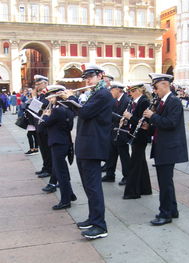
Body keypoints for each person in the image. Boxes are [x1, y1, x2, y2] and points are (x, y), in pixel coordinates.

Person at [61, 64, 113, 239]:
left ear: (100, 76)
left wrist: (70, 99)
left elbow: (85, 113)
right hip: (86, 145)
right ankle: (93, 218)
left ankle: (100, 225)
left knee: (93, 186)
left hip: (93, 146)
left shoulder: (103, 94)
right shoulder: (94, 93)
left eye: (91, 76)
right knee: (88, 187)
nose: (87, 80)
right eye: (86, 77)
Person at [143, 73, 188, 226]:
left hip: (169, 147)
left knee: (164, 183)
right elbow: (161, 124)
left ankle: (165, 213)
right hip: (162, 146)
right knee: (166, 181)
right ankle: (172, 210)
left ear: (164, 84)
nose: (155, 91)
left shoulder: (173, 101)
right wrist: (149, 125)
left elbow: (171, 123)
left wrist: (152, 116)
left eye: (155, 87)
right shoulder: (163, 101)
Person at [41, 85, 77, 210]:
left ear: (57, 96)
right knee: (63, 171)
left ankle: (65, 200)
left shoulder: (57, 110)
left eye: (51, 97)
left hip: (57, 142)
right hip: (64, 142)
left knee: (61, 173)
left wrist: (45, 115)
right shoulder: (67, 108)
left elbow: (46, 123)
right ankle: (70, 194)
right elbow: (70, 126)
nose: (49, 100)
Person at [121, 83, 152, 199]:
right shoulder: (134, 102)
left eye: (133, 91)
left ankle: (133, 192)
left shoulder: (144, 102)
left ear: (139, 91)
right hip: (135, 135)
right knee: (141, 163)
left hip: (140, 136)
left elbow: (141, 121)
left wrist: (129, 117)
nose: (130, 94)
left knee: (135, 164)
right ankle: (145, 188)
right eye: (130, 91)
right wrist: (125, 121)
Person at [102, 82, 131, 185]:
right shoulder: (113, 100)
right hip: (112, 130)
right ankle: (110, 174)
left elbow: (125, 117)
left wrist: (113, 116)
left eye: (112, 90)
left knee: (124, 155)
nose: (110, 92)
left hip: (122, 131)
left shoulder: (127, 100)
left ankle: (127, 176)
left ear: (118, 90)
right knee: (111, 154)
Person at [33, 75, 56, 193]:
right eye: (36, 84)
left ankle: (49, 168)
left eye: (39, 84)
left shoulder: (48, 94)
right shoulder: (41, 95)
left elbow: (40, 106)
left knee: (47, 148)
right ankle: (45, 166)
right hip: (39, 123)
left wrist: (34, 99)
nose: (37, 86)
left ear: (45, 83)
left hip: (46, 125)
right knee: (42, 147)